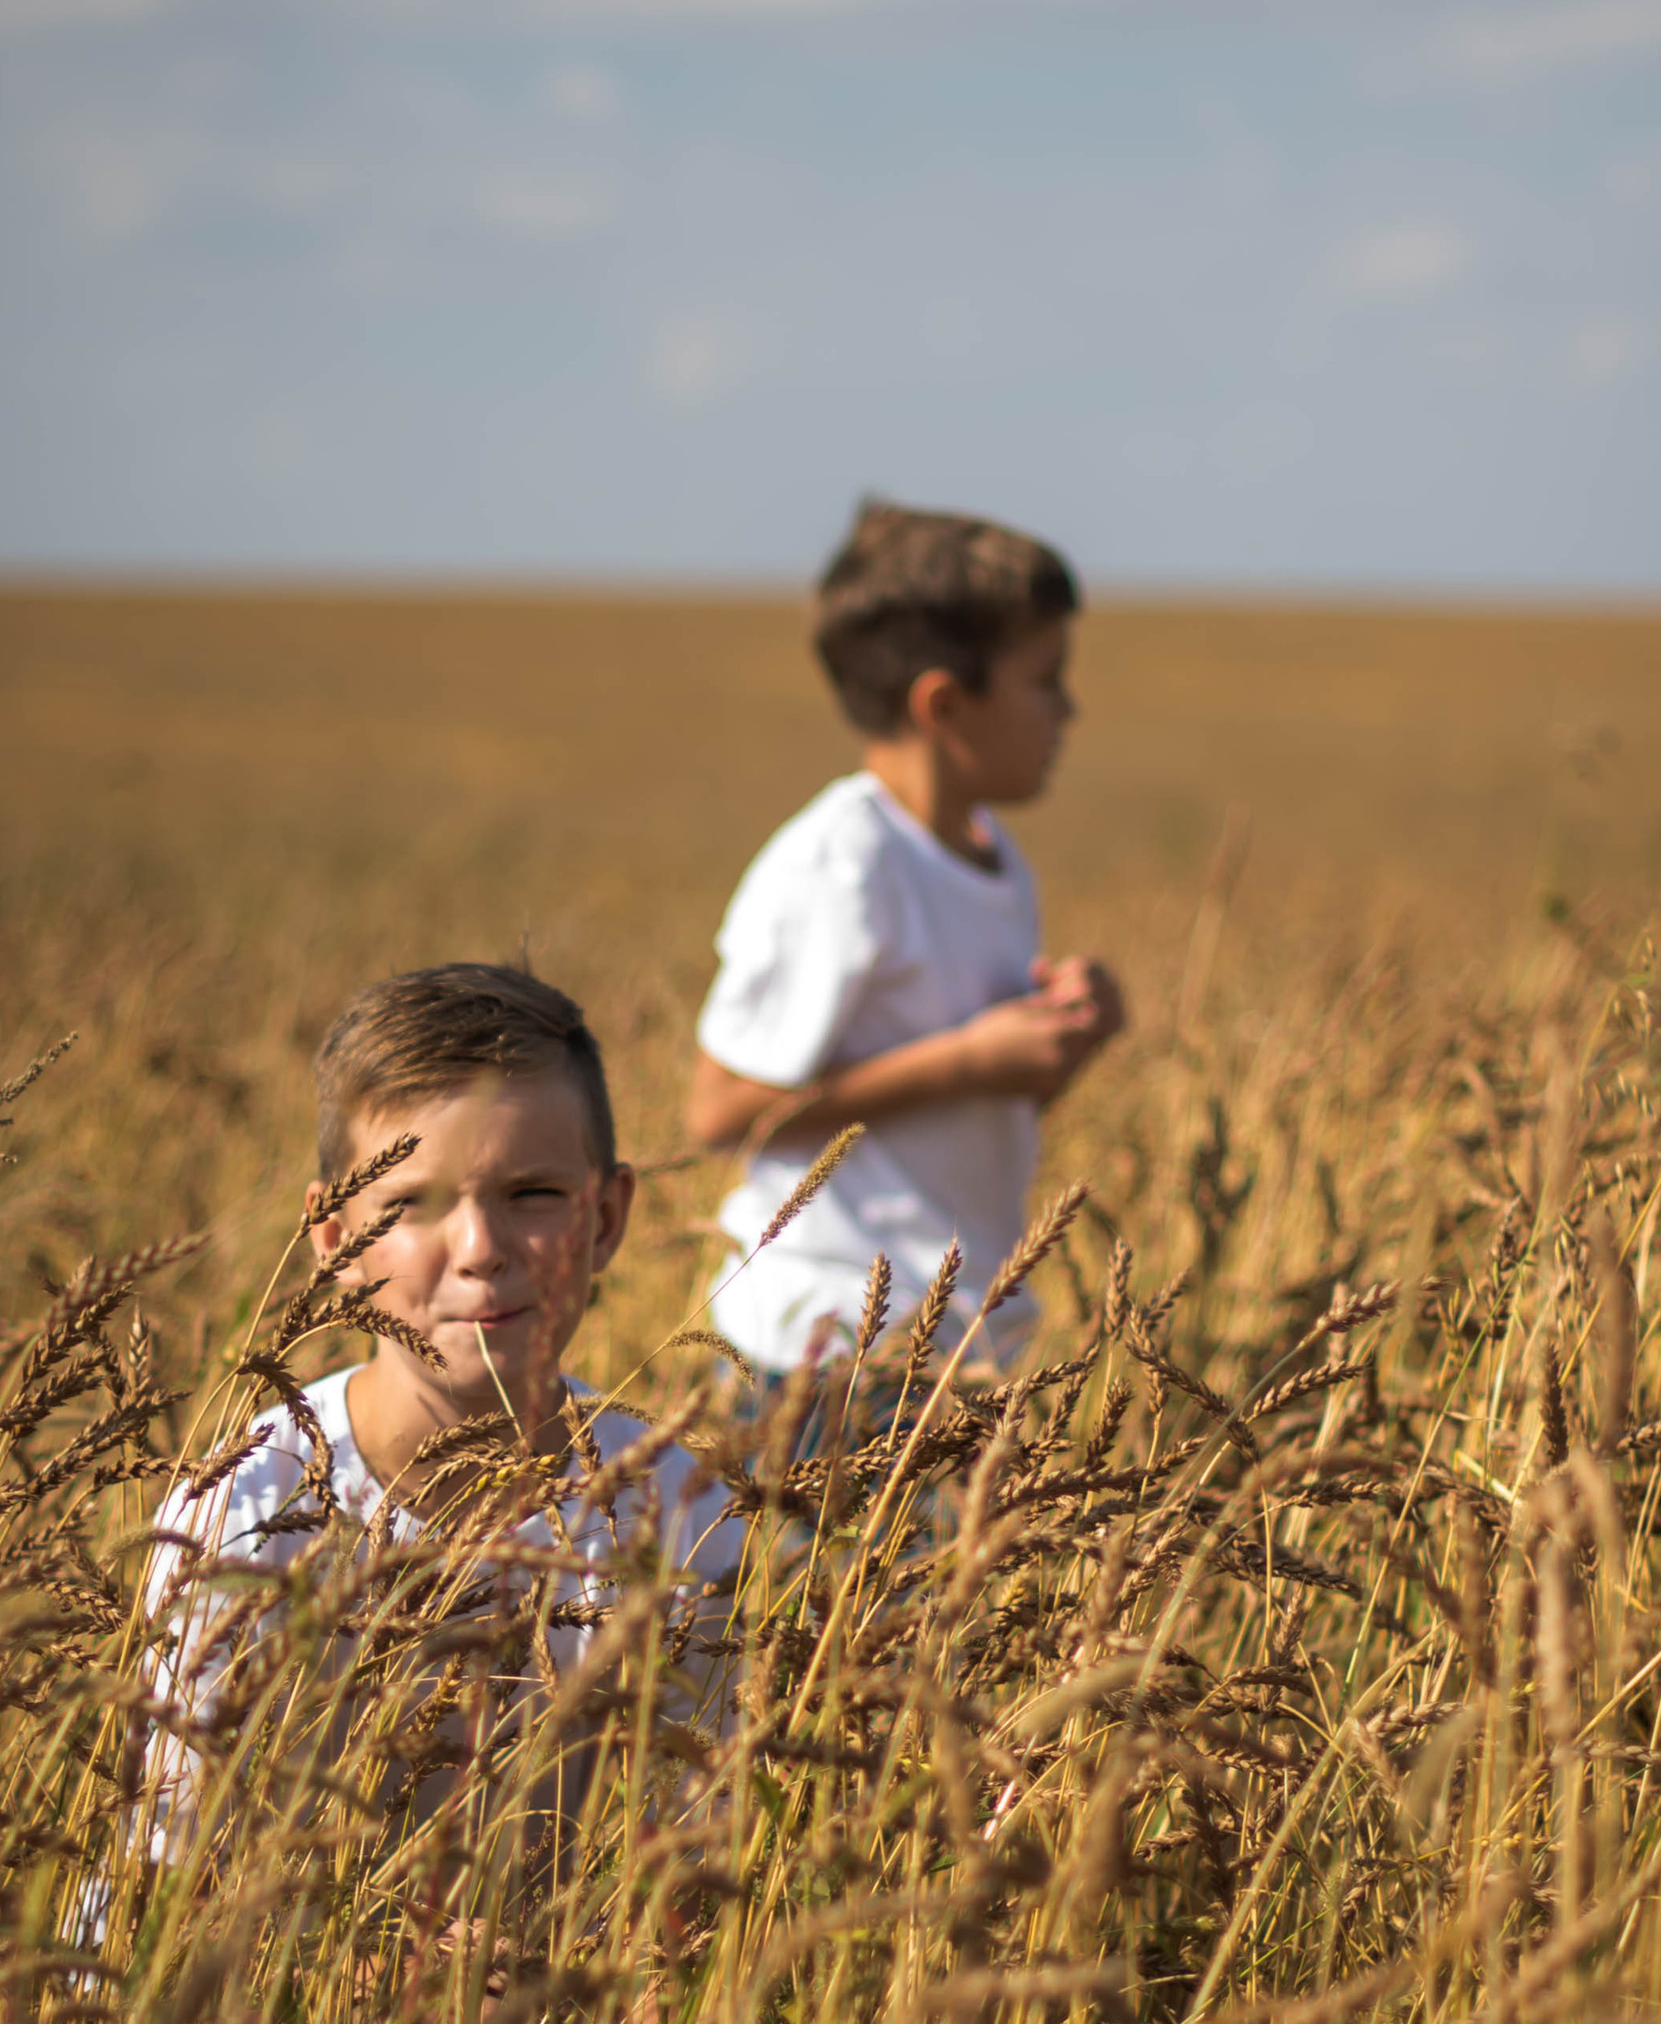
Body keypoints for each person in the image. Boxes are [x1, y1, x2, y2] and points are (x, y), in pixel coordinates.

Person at [137, 962, 742, 1869]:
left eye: (532, 1196)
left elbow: (701, 1871)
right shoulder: (243, 1518)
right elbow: (167, 1890)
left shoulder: (688, 1518)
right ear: (334, 1234)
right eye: (413, 1204)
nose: (480, 1251)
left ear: (608, 1216)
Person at [686, 498, 1126, 1382]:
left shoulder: (992, 858)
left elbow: (967, 1110)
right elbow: (720, 1112)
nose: (1069, 710)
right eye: (1045, 678)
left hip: (944, 1346)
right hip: (821, 1346)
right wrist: (966, 1059)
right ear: (945, 704)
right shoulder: (842, 864)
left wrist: (1059, 1046)